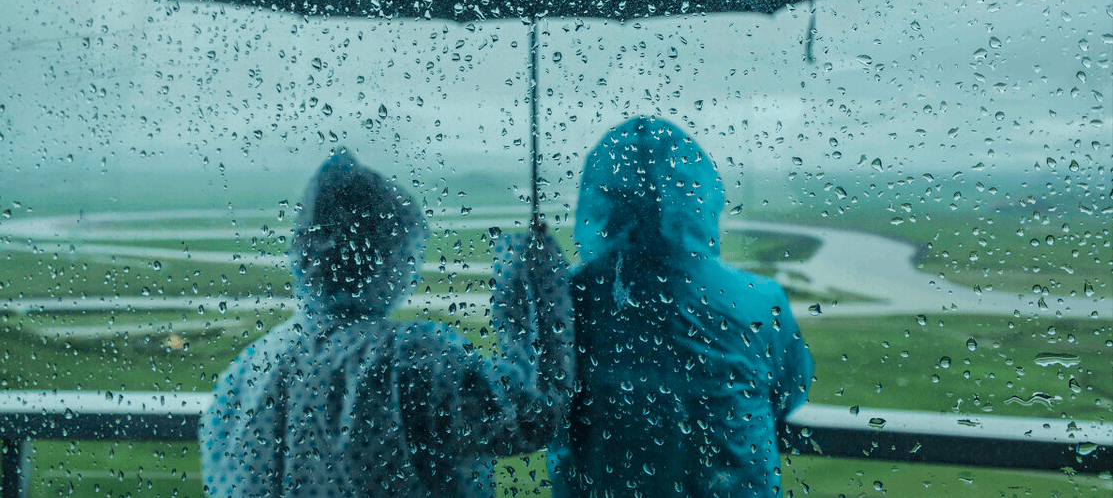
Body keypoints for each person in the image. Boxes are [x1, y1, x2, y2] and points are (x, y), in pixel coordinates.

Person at [201, 149, 573, 498]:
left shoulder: (244, 375)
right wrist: (534, 291)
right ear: (388, 253)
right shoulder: (413, 362)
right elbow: (533, 416)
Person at [549, 116, 813, 498]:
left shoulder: (571, 299)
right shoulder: (758, 301)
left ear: (600, 200)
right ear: (698, 197)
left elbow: (545, 400)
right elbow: (789, 390)